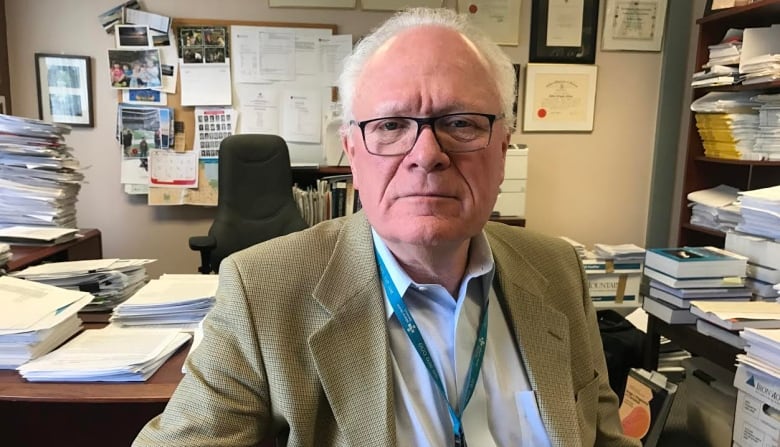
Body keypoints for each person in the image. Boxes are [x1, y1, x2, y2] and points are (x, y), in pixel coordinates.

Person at [133, 8, 639, 447]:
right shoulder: (261, 289)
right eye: (392, 126)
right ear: (352, 151)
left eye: (461, 123)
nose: (427, 156)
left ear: (504, 146)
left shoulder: (558, 268)